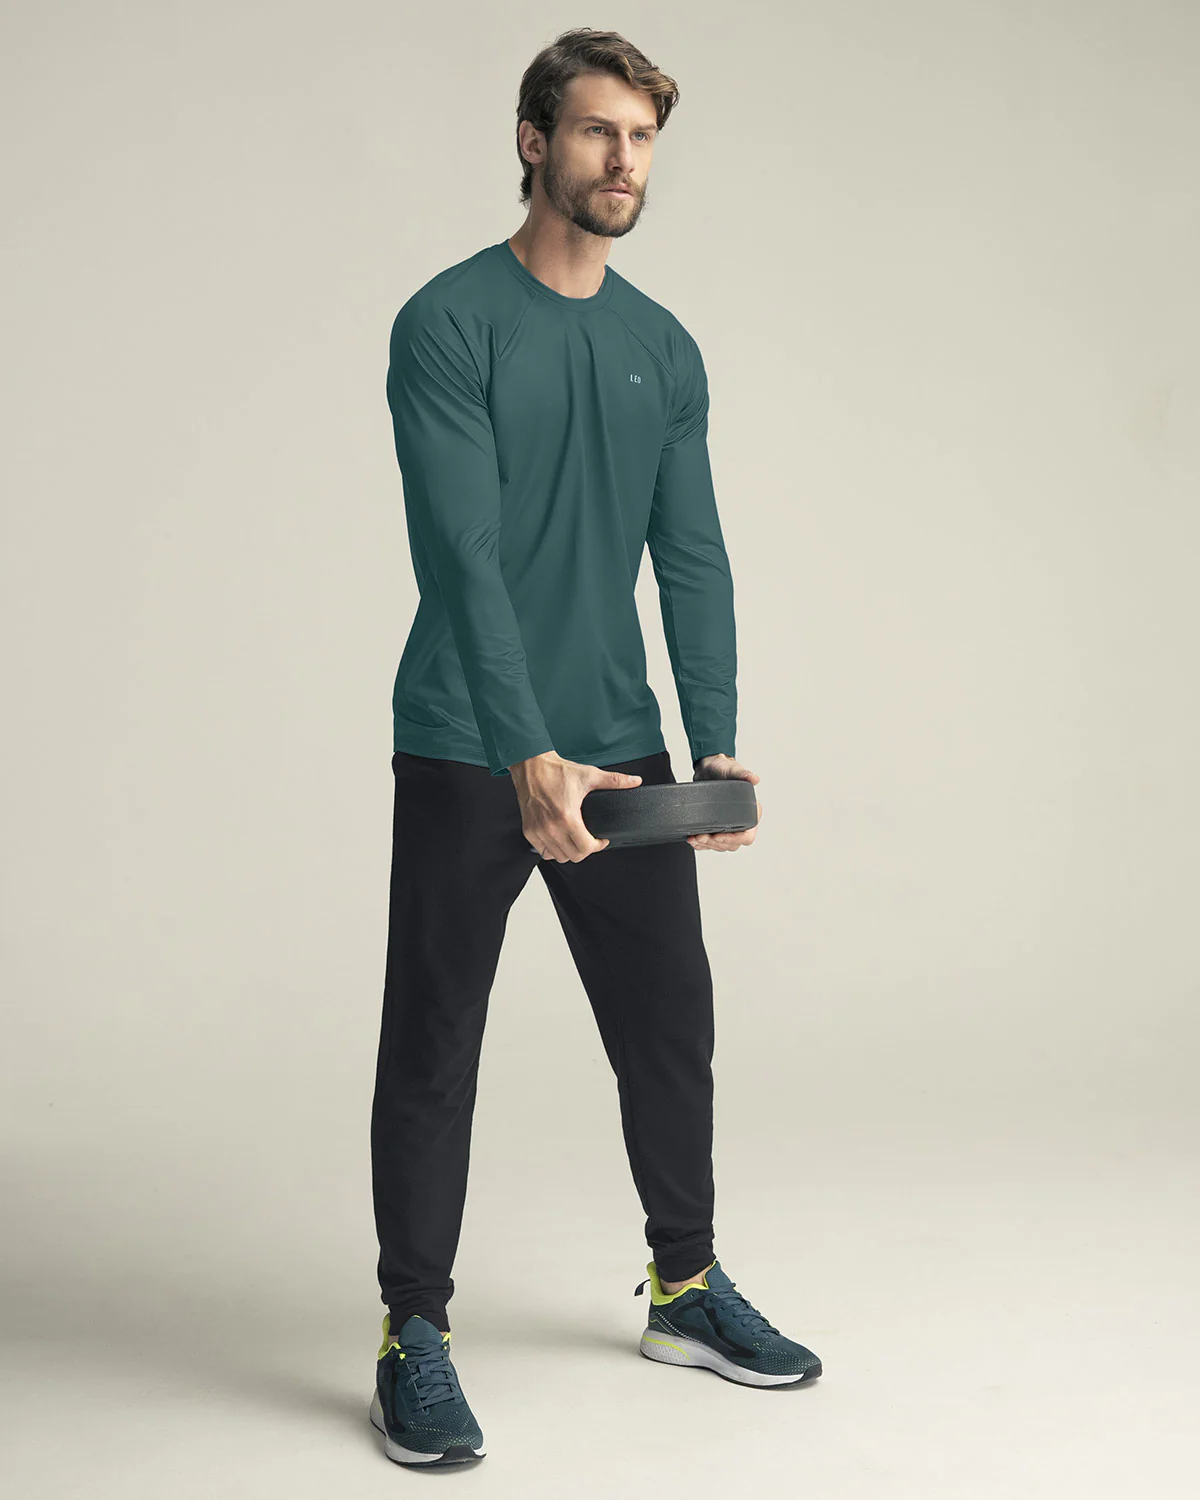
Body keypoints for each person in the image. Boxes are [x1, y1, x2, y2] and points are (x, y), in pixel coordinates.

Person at [367, 26, 821, 1470]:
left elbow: (692, 553)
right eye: (596, 132)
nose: (624, 161)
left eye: (641, 138)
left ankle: (684, 1290)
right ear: (533, 141)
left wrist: (715, 742)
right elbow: (462, 558)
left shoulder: (662, 348)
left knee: (669, 1025)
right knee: (435, 1040)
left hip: (619, 751)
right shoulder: (449, 324)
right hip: (469, 745)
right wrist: (524, 754)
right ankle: (412, 1333)